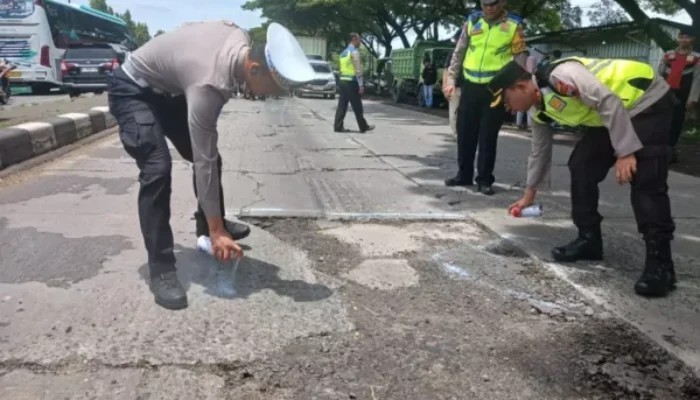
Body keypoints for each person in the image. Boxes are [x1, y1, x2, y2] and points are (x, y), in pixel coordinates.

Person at [107, 21, 315, 310]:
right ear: (253, 69)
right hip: (133, 90)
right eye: (272, 88)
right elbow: (202, 160)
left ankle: (208, 225)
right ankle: (162, 268)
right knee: (158, 168)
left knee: (211, 156)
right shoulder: (208, 85)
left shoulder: (239, 35)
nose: (271, 96)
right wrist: (220, 232)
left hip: (171, 90)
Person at [490, 57, 677, 297]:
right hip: (611, 113)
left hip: (646, 101)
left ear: (523, 87)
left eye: (507, 101)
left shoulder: (562, 75)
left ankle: (661, 265)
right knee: (581, 165)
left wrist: (626, 151)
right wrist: (529, 195)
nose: (510, 110)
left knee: (645, 177)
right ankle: (589, 239)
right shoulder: (539, 112)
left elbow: (607, 99)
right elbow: (539, 152)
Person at [443, 0, 527, 195]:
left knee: (488, 136)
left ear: (503, 3)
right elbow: (459, 52)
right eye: (485, 4)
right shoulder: (472, 21)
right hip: (470, 85)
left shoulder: (514, 25)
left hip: (495, 89)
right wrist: (451, 80)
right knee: (464, 133)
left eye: (493, 4)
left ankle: (484, 179)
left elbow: (519, 59)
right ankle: (464, 175)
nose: (488, 8)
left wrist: (513, 89)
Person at [658, 26, 700, 164]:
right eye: (681, 37)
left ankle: (670, 149)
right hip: (665, 93)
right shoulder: (668, 55)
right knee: (662, 120)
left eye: (687, 37)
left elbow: (697, 79)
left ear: (692, 39)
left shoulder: (696, 58)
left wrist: (692, 98)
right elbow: (658, 75)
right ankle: (659, 148)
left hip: (683, 94)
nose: (683, 40)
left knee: (676, 121)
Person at [333, 33, 375, 133]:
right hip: (351, 82)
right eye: (359, 40)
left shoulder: (343, 53)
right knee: (357, 106)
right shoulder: (354, 52)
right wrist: (361, 85)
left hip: (342, 81)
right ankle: (363, 127)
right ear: (354, 39)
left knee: (342, 106)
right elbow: (358, 69)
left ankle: (338, 126)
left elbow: (341, 69)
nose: (360, 43)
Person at [443, 29, 463, 136]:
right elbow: (447, 69)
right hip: (454, 87)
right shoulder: (452, 53)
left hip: (467, 88)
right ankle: (456, 133)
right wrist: (445, 85)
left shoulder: (471, 53)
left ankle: (463, 134)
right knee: (453, 113)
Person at [515, 50, 537, 129]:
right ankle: (529, 125)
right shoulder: (531, 59)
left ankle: (519, 123)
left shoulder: (518, 61)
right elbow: (531, 72)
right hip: (528, 84)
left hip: (520, 84)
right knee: (530, 106)